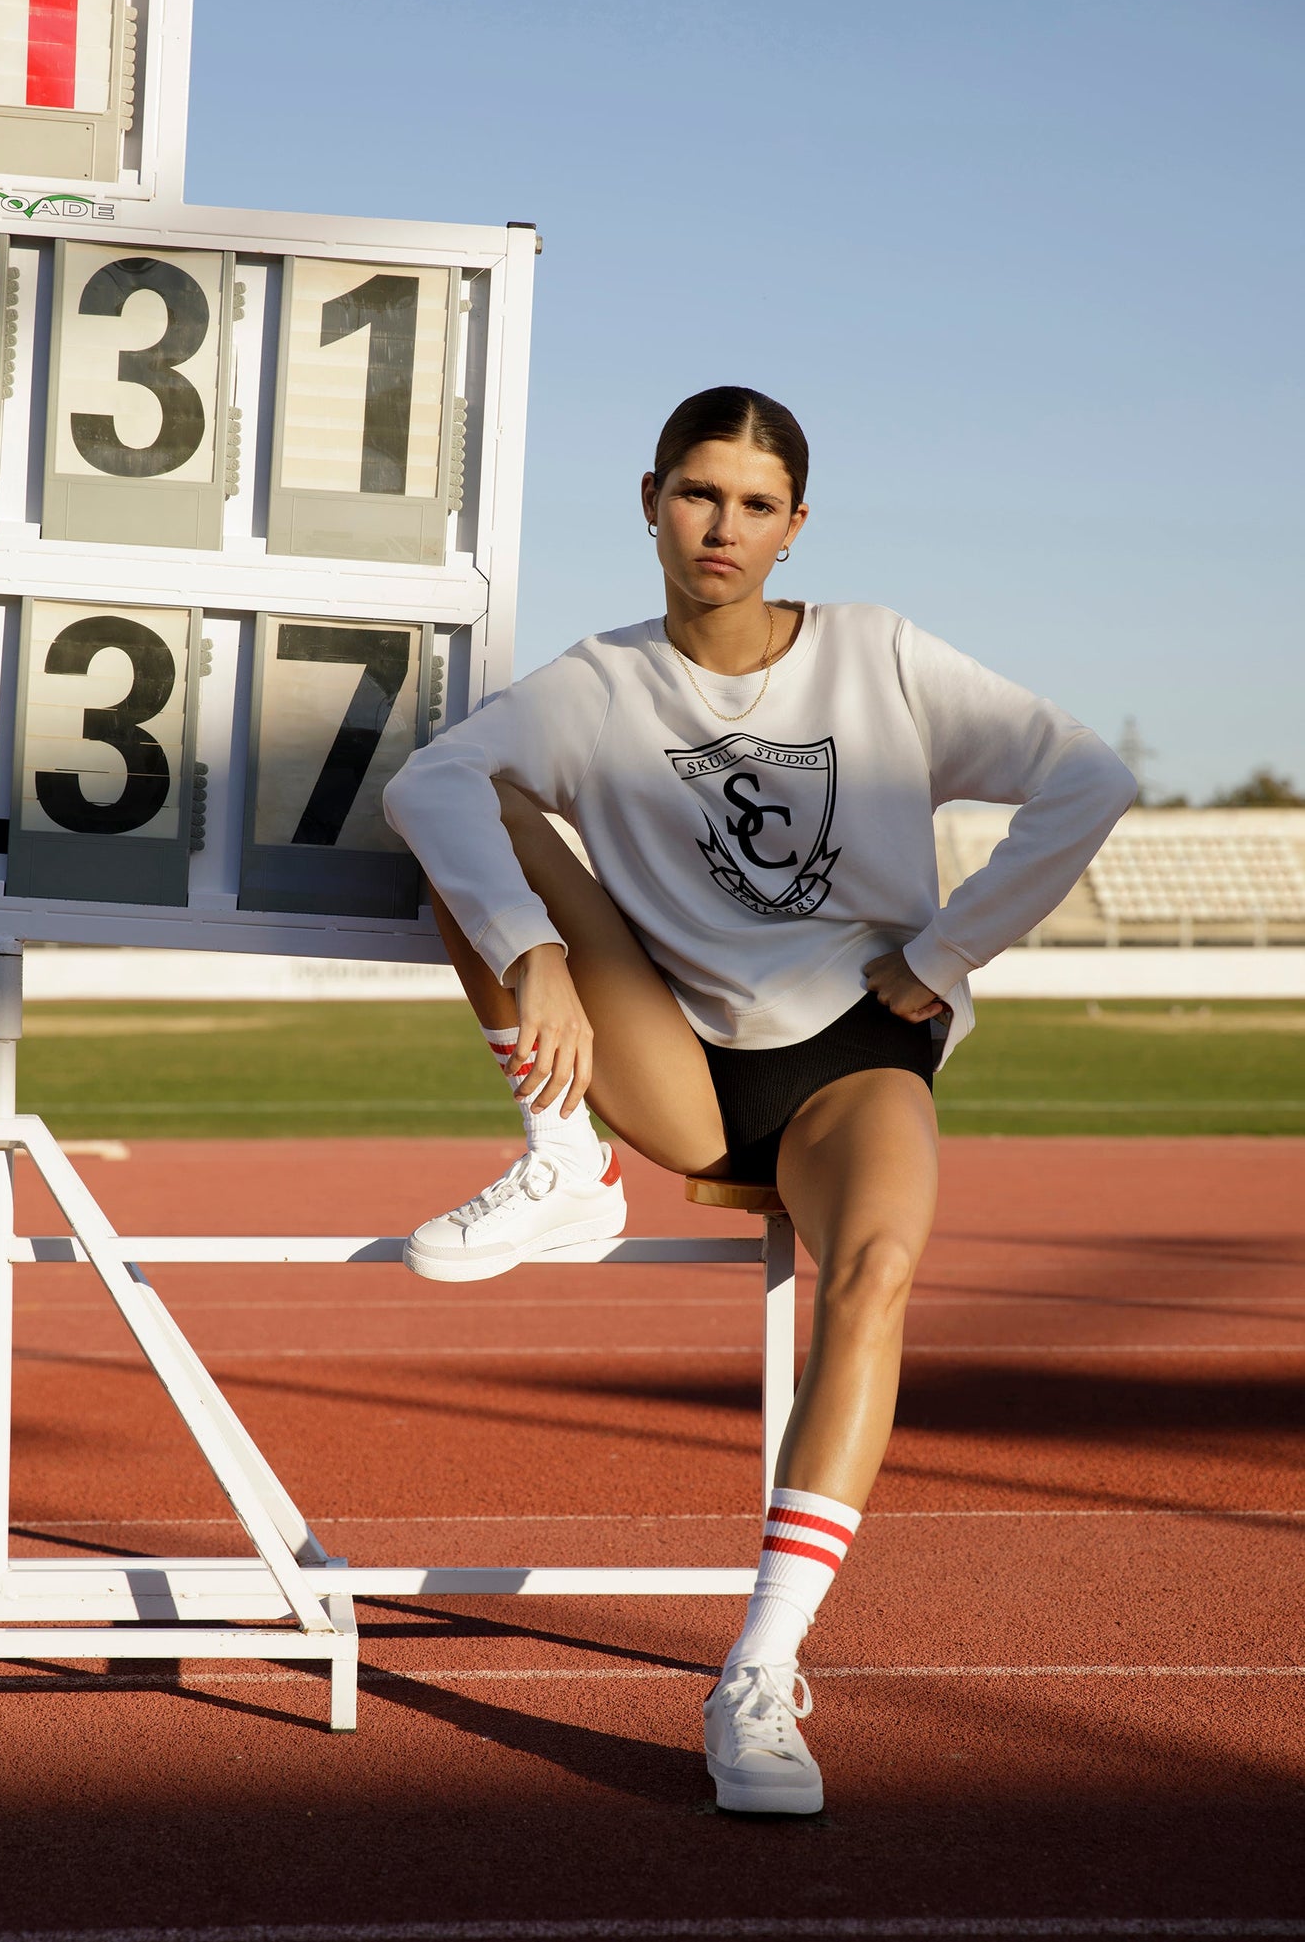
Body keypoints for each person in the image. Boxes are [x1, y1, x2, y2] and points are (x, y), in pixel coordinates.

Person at [382, 385, 1135, 1815]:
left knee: (875, 1265)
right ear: (650, 497)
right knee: (467, 820)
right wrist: (535, 952)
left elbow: (1083, 779)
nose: (719, 525)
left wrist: (943, 952)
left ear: (795, 525)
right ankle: (561, 1161)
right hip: (674, 1060)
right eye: (695, 493)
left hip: (855, 1050)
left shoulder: (878, 657)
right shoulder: (597, 685)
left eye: (752, 502)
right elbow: (432, 789)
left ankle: (756, 1668)